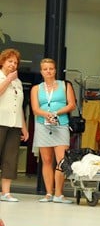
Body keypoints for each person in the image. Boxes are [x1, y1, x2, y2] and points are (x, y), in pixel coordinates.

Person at [30, 58, 77, 203]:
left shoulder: (65, 85)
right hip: (43, 124)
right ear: (41, 71)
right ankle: (48, 193)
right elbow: (35, 109)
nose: (48, 71)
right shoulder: (36, 89)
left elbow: (72, 105)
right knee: (47, 160)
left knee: (61, 161)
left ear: (55, 70)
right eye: (45, 69)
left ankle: (59, 194)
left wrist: (56, 113)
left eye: (51, 68)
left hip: (61, 124)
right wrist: (47, 115)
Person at [0, 48, 29, 202]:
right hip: (0, 121)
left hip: (14, 124)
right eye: (10, 61)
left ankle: (6, 192)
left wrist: (24, 127)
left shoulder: (17, 82)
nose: (13, 64)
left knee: (10, 158)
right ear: (3, 61)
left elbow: (19, 106)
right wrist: (8, 79)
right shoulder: (6, 78)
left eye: (15, 62)